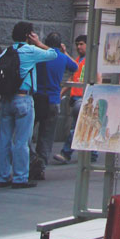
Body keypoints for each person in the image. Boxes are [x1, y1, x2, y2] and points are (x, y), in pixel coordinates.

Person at [0, 22, 57, 189]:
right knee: (22, 141)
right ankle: (20, 178)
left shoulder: (6, 52)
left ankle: (2, 177)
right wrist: (38, 42)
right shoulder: (29, 50)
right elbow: (53, 54)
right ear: (28, 35)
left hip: (6, 100)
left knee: (4, 139)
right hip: (23, 99)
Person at [31, 33, 78, 178]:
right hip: (53, 100)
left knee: (26, 134)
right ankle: (41, 166)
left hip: (37, 98)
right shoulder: (62, 57)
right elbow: (75, 67)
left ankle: (31, 160)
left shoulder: (40, 54)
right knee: (47, 136)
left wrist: (38, 44)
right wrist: (64, 52)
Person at [54, 34, 88, 162]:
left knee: (76, 127)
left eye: (81, 44)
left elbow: (75, 67)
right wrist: (62, 92)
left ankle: (66, 153)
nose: (79, 47)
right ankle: (93, 154)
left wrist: (65, 53)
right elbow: (73, 77)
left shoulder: (89, 60)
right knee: (83, 127)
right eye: (77, 44)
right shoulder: (79, 59)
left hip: (82, 98)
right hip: (76, 98)